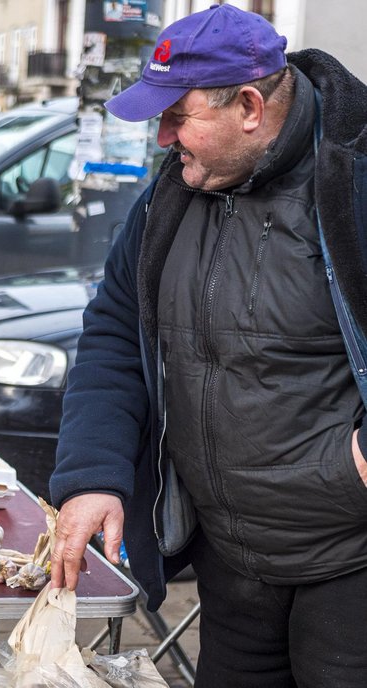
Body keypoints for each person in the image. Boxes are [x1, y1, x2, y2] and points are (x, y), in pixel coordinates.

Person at [50, 5, 367, 687]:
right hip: (231, 563)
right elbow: (113, 329)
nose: (163, 137)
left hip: (351, 566)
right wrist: (93, 475)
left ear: (250, 106)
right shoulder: (173, 193)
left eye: (178, 116)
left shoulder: (355, 178)